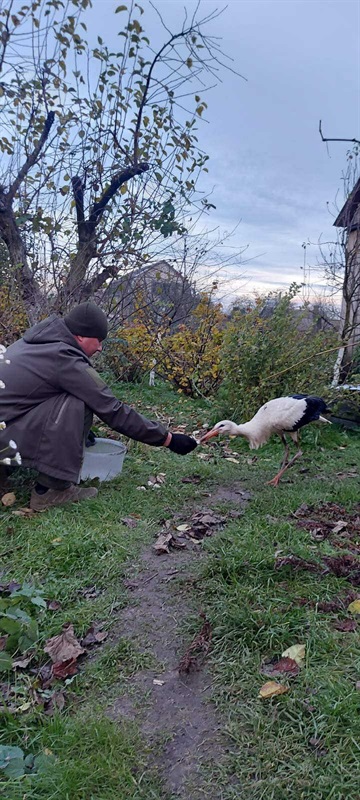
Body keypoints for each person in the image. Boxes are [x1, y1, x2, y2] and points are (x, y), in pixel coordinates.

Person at [0, 302, 197, 511]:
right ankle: (51, 491)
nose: (101, 347)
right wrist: (167, 439)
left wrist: (77, 430)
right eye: (99, 340)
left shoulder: (36, 341)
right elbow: (111, 409)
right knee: (80, 402)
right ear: (81, 336)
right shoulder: (64, 357)